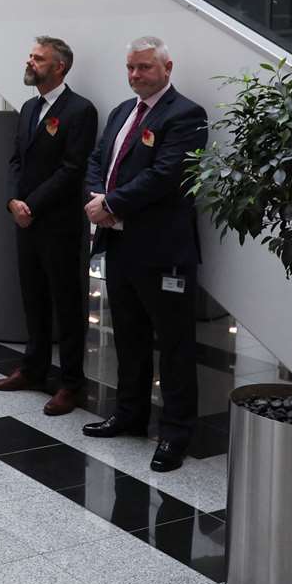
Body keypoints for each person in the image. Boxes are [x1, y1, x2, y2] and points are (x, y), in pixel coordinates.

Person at [81, 37, 208, 473]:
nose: (135, 75)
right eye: (131, 67)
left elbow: (167, 175)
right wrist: (97, 195)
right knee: (129, 338)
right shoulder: (121, 112)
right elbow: (97, 160)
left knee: (174, 346)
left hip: (163, 251)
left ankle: (175, 434)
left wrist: (110, 205)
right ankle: (129, 415)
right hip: (119, 246)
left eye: (144, 68)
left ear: (167, 68)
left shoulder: (187, 115)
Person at [0, 38, 98, 415]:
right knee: (33, 298)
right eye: (31, 56)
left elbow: (72, 169)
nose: (30, 62)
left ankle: (72, 383)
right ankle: (33, 369)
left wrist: (31, 204)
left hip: (60, 225)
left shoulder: (80, 110)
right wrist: (11, 202)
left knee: (67, 305)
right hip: (26, 223)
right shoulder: (28, 108)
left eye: (38, 58)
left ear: (60, 67)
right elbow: (15, 161)